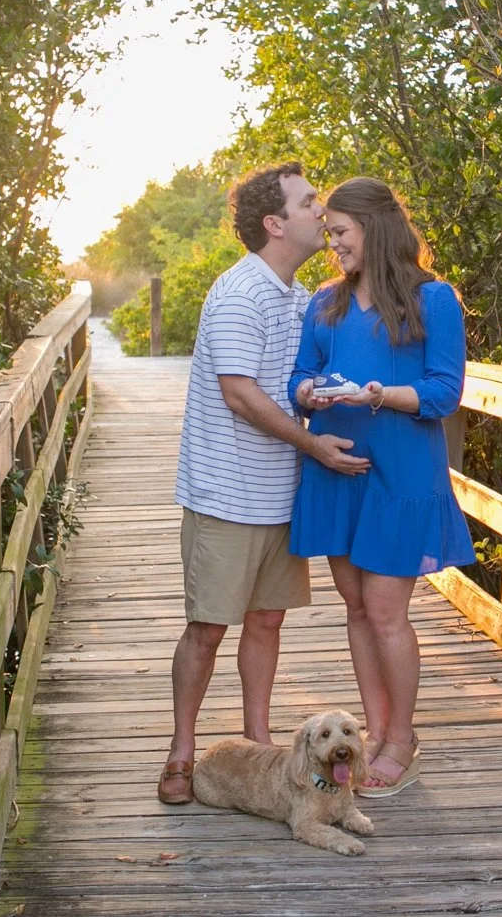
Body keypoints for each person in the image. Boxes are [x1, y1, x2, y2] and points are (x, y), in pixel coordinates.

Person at [159, 162, 372, 805]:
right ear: (275, 224)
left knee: (267, 622)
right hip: (225, 494)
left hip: (280, 491)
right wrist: (314, 444)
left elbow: (300, 380)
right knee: (207, 627)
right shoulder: (238, 294)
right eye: (309, 203)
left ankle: (256, 743)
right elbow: (240, 396)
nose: (320, 211)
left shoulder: (301, 298)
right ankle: (181, 752)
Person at [287, 176, 474, 798]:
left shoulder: (435, 300)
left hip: (400, 475)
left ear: (376, 228)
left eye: (340, 232)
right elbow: (300, 376)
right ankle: (372, 734)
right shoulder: (326, 303)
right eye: (329, 233)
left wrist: (379, 396)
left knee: (388, 612)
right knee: (359, 609)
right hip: (338, 472)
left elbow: (445, 392)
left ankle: (402, 741)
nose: (332, 244)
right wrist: (307, 394)